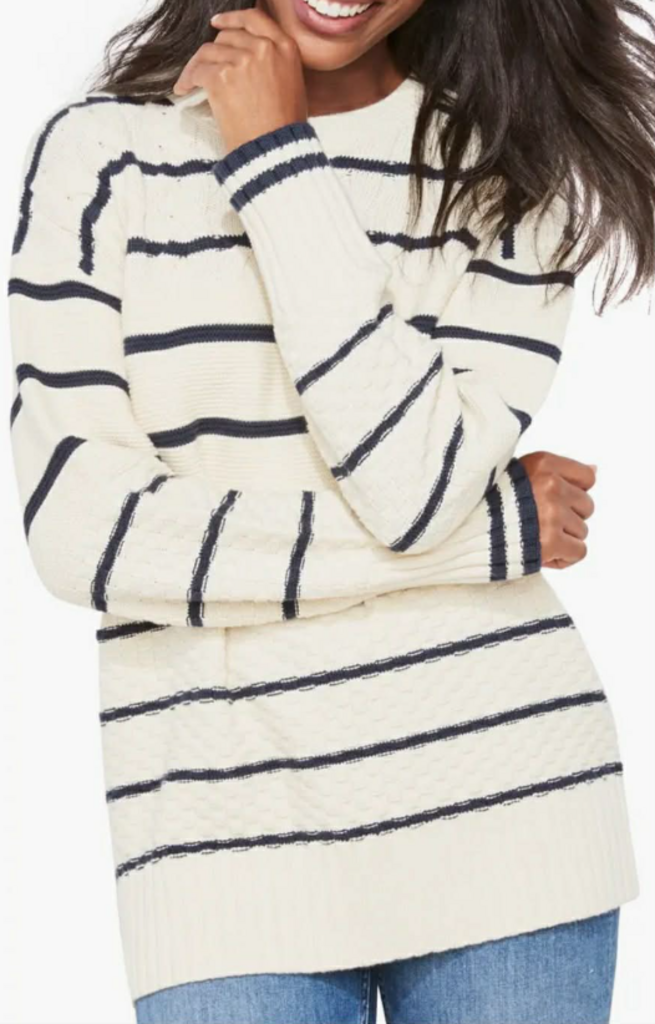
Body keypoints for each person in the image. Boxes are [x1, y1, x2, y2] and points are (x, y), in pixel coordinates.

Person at [7, 0, 654, 1020]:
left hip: (505, 807)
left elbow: (411, 488)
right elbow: (86, 536)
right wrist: (481, 540)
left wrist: (274, 156)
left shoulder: (510, 174)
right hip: (217, 834)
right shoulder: (104, 156)